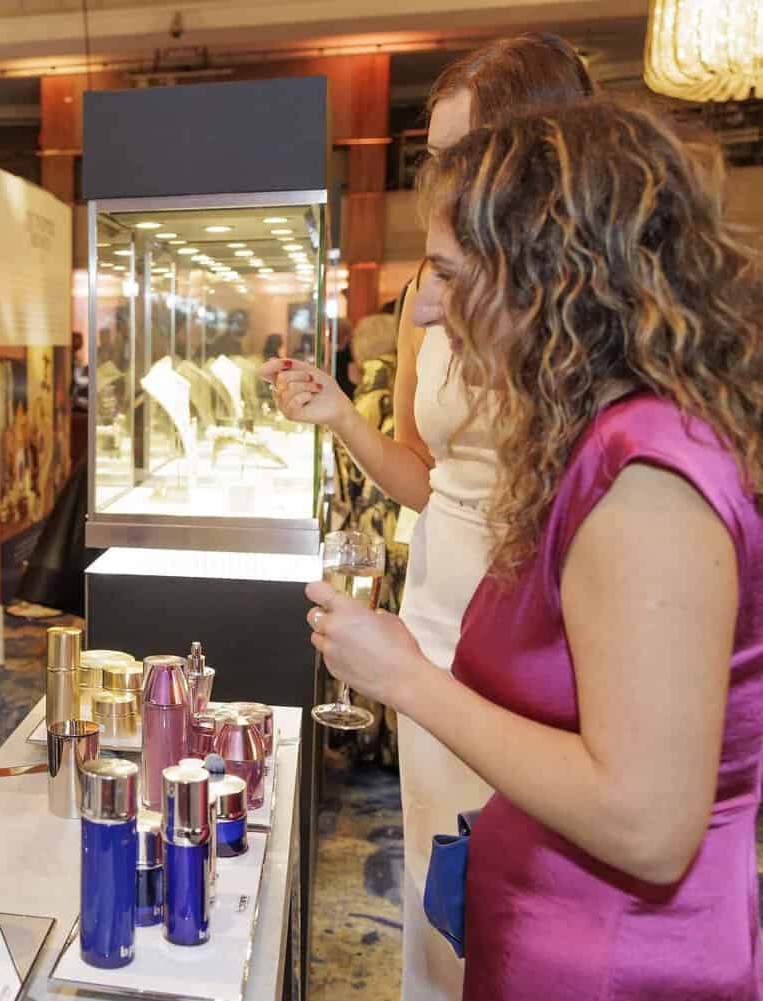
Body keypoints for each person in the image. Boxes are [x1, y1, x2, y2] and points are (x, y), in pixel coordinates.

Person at [309, 97, 763, 1001]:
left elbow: (645, 822)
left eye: (445, 272)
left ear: (541, 273)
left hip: (613, 963)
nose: (427, 310)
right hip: (557, 930)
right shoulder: (599, 443)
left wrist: (407, 678)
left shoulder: (645, 477)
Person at [261, 33, 595, 1001]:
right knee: (437, 870)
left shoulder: (591, 312)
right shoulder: (430, 292)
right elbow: (429, 476)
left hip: (554, 616)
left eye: (469, 153)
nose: (449, 180)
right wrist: (336, 416)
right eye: (440, 158)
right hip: (441, 609)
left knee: (538, 883)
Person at [324, 312, 404, 767]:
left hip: (371, 540)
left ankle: (366, 739)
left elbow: (346, 486)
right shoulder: (414, 394)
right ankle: (398, 745)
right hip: (418, 536)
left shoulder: (362, 402)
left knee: (368, 632)